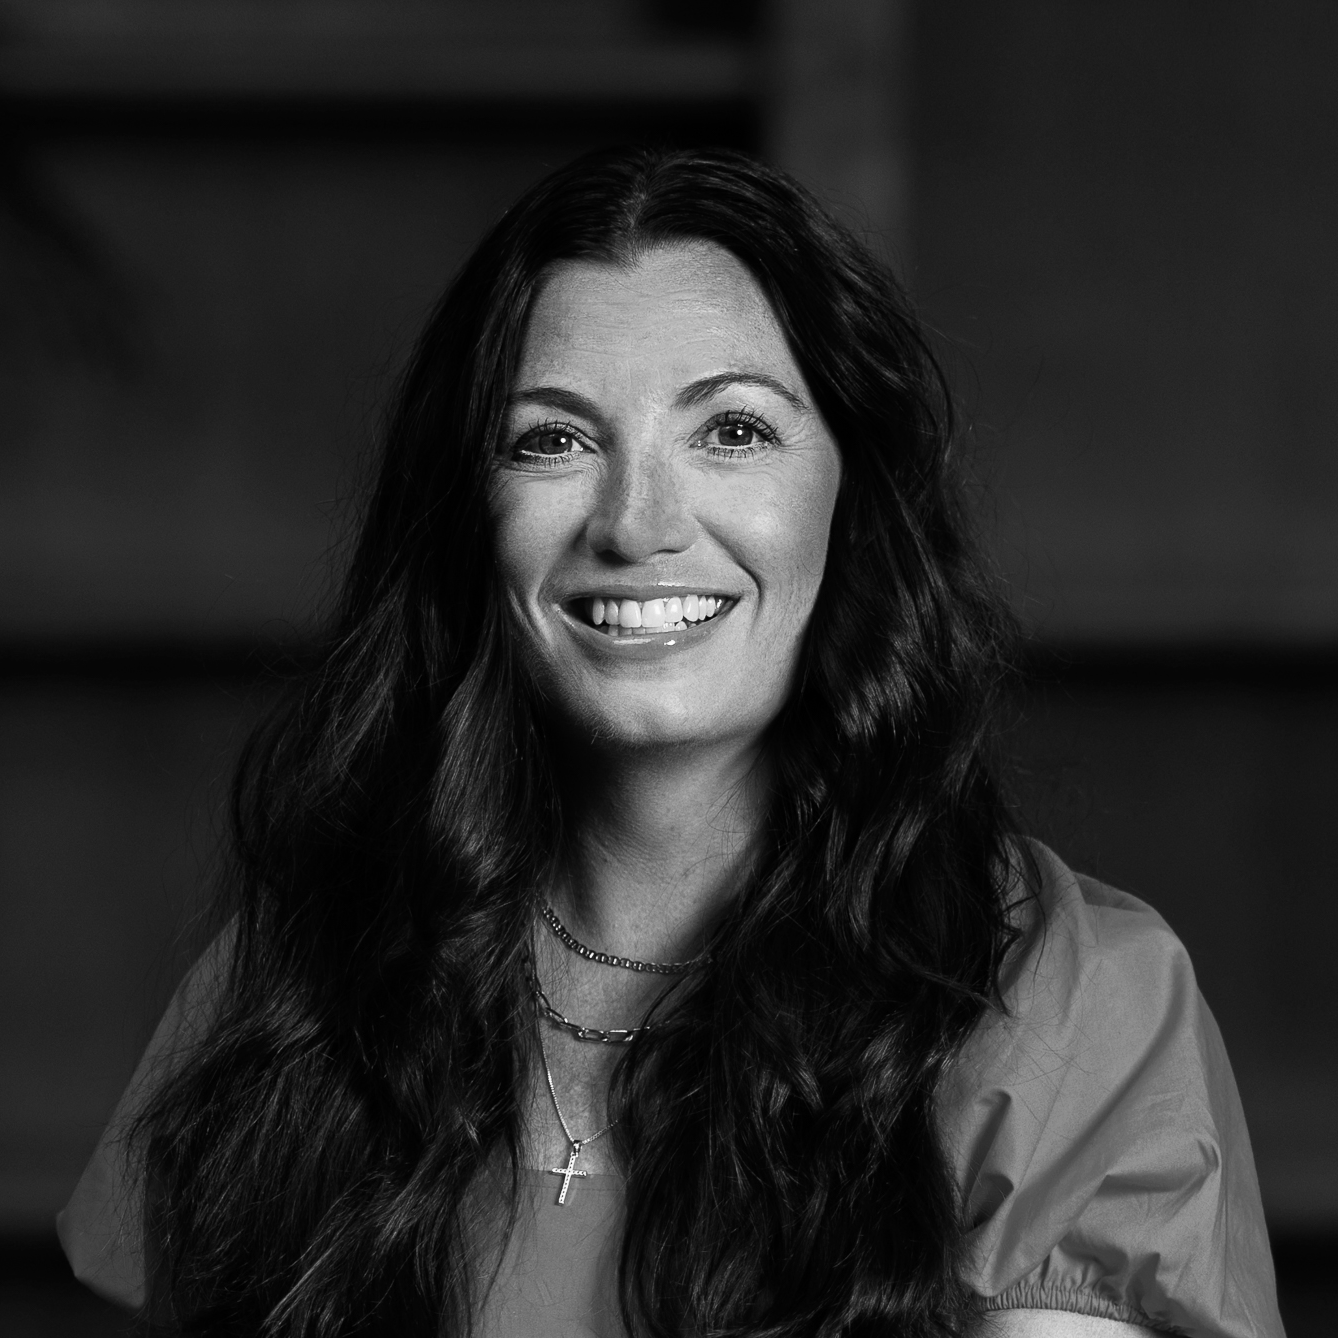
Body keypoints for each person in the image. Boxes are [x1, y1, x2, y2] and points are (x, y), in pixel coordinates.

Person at [57, 147, 1282, 1338]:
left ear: (853, 495)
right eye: (553, 439)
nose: (637, 525)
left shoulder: (1071, 1000)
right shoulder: (298, 978)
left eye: (733, 431)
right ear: (471, 519)